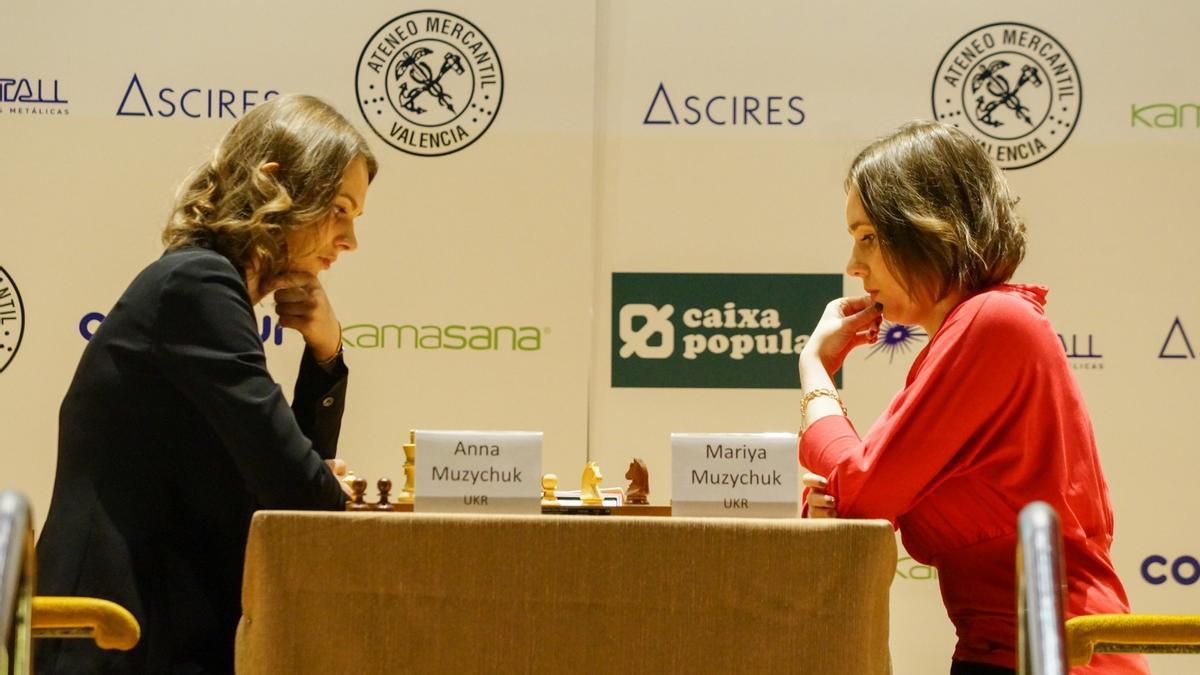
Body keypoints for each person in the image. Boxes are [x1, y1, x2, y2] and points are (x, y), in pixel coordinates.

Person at [35, 94, 377, 674]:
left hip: (157, 629)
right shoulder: (198, 285)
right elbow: (299, 491)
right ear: (274, 183)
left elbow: (291, 495)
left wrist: (325, 352)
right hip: (113, 634)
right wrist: (318, 482)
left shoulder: (204, 285)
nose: (349, 241)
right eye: (338, 210)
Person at [796, 121, 1147, 675]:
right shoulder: (967, 333)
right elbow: (860, 495)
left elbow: (863, 487)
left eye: (867, 237)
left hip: (1056, 657)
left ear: (925, 229)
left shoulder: (993, 321)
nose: (853, 266)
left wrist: (814, 369)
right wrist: (837, 494)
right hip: (1001, 654)